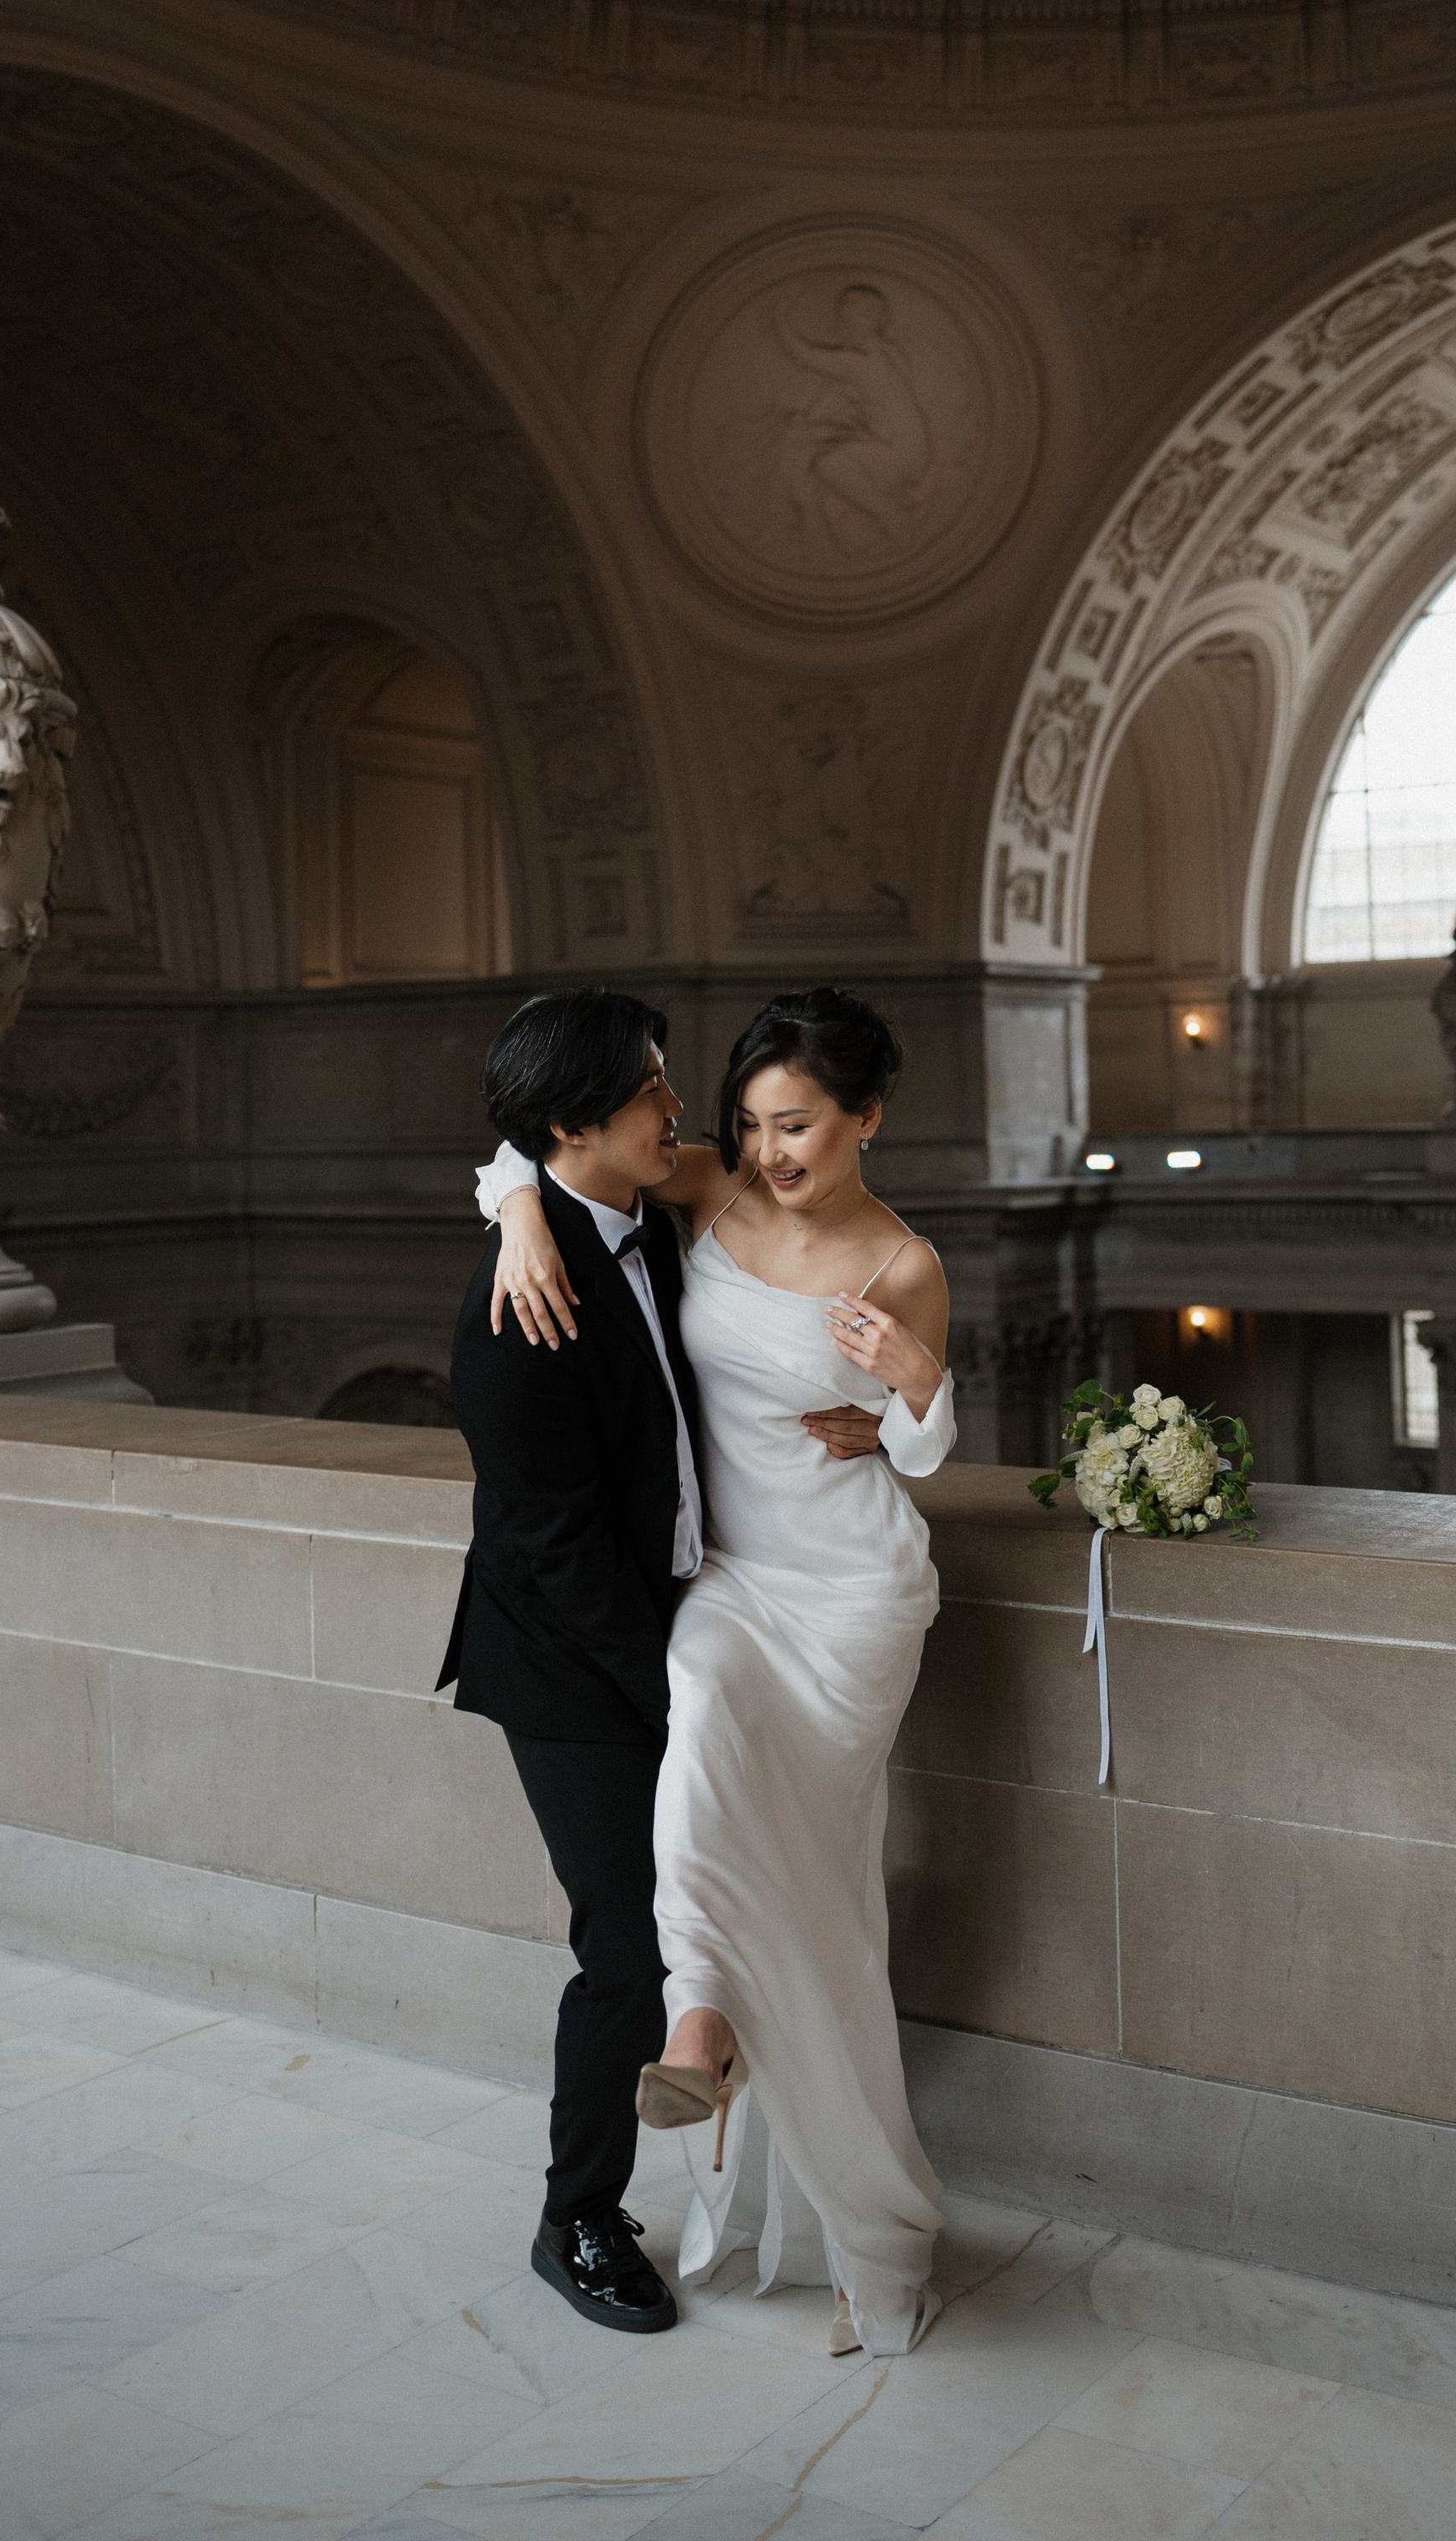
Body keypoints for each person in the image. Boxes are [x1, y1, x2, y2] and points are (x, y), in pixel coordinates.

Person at [483, 984, 954, 2359]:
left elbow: (922, 1449)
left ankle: (858, 2216)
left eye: (797, 1124)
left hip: (855, 1594)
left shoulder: (903, 1257)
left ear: (866, 1117)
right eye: (749, 1124)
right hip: (731, 1581)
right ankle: (697, 2022)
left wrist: (913, 1377)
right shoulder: (705, 1191)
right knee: (693, 1740)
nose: (768, 1153)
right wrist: (517, 1214)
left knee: (815, 1894)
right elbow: (543, 1147)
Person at [435, 990, 709, 2337]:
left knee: (698, 1918)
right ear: (575, 1124)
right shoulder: (512, 1317)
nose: (678, 1108)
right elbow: (551, 1553)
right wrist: (680, 1698)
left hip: (667, 1629)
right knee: (629, 1947)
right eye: (654, 1089)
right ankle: (577, 2217)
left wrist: (517, 1193)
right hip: (570, 1663)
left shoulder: (636, 1213)